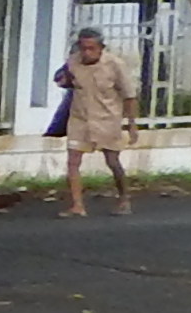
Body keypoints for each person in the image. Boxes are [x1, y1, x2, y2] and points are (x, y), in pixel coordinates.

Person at [56, 24, 137, 215]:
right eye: (83, 48)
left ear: (101, 48)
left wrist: (132, 126)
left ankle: (124, 198)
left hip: (107, 119)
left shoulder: (115, 65)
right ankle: (77, 205)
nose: (87, 52)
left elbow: (129, 96)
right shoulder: (73, 62)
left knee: (112, 161)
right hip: (80, 119)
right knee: (73, 161)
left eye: (91, 48)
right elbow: (63, 81)